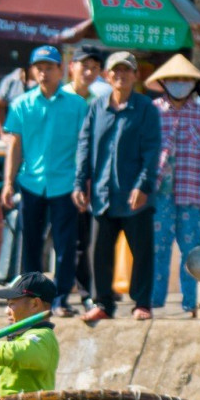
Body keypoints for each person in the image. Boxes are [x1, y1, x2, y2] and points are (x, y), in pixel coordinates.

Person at [0, 45, 89, 316]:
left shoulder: (76, 104)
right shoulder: (21, 104)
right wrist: (8, 182)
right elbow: (15, 145)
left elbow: (85, 147)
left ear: (60, 70)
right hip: (31, 183)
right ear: (31, 71)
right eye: (39, 67)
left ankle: (60, 299)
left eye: (49, 67)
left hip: (65, 184)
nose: (44, 72)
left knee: (65, 245)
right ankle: (31, 301)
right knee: (31, 245)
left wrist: (84, 183)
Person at [73, 50, 159, 323]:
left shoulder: (146, 108)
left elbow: (152, 151)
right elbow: (84, 146)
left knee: (142, 251)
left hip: (135, 195)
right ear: (106, 76)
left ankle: (142, 303)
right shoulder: (96, 108)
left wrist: (143, 186)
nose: (120, 75)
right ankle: (103, 304)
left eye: (126, 71)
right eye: (115, 71)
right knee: (99, 252)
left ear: (135, 75)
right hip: (102, 194)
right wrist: (79, 182)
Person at [146, 53, 200, 317]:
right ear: (163, 83)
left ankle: (191, 302)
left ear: (194, 84)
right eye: (173, 79)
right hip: (158, 192)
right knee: (157, 247)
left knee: (192, 249)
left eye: (184, 80)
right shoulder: (152, 111)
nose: (179, 83)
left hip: (192, 191)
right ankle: (153, 301)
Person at [62, 45, 108, 306]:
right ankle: (58, 294)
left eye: (95, 68)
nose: (89, 72)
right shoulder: (62, 97)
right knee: (63, 240)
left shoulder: (100, 100)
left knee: (85, 240)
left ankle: (86, 291)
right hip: (61, 179)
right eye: (84, 66)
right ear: (72, 67)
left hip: (93, 181)